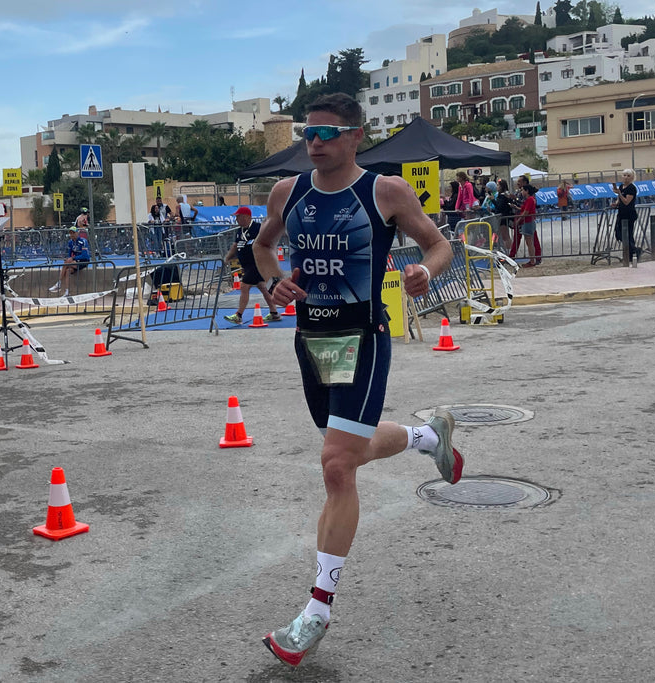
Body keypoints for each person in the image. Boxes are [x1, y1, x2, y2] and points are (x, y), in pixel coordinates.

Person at [251, 93, 464, 667]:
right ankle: (428, 437)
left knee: (337, 463)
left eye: (325, 133)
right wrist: (272, 285)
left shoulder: (384, 192)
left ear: (355, 136)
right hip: (311, 340)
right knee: (351, 445)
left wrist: (423, 270)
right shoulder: (286, 193)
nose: (313, 142)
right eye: (306, 132)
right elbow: (262, 247)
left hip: (364, 338)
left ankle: (316, 612)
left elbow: (439, 244)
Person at [223, 207, 281, 324]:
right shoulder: (240, 231)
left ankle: (238, 315)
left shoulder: (258, 228)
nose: (237, 220)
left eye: (238, 217)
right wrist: (227, 258)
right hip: (247, 265)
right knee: (263, 287)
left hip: (257, 263)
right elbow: (235, 246)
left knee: (244, 287)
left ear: (246, 217)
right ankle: (274, 313)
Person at [47, 226, 90, 297]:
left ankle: (59, 283)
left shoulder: (83, 241)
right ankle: (67, 292)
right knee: (68, 271)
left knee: (66, 263)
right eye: (70, 233)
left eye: (73, 233)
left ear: (77, 233)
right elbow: (70, 254)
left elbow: (84, 255)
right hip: (75, 261)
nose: (72, 235)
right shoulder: (70, 242)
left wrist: (73, 258)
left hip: (84, 261)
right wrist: (70, 258)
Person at [613, 169, 641, 259]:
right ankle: (632, 251)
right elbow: (619, 199)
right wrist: (616, 203)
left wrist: (620, 194)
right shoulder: (621, 186)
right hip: (621, 213)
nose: (626, 177)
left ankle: (633, 252)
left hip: (629, 214)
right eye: (624, 175)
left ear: (632, 177)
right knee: (618, 233)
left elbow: (626, 202)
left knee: (628, 234)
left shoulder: (632, 188)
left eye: (628, 176)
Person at [515, 185, 539, 267]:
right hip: (529, 221)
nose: (522, 192)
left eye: (523, 190)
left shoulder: (529, 199)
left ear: (527, 191)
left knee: (529, 242)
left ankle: (532, 260)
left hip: (527, 222)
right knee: (530, 242)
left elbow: (526, 212)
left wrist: (518, 220)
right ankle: (532, 259)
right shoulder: (531, 199)